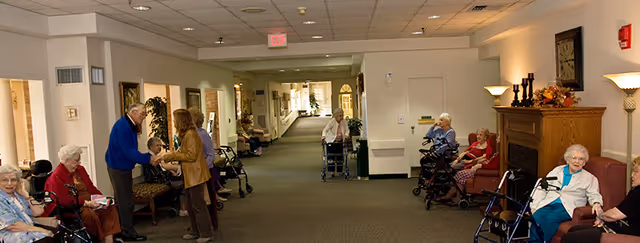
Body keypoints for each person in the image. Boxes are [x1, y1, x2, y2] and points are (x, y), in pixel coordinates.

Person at [105, 102, 161, 241]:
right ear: (133, 112)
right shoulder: (123, 126)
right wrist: (149, 159)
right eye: (142, 114)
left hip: (122, 165)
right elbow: (129, 152)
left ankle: (120, 230)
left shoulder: (129, 124)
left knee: (123, 200)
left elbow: (131, 151)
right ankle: (127, 232)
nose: (144, 117)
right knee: (125, 201)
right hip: (119, 166)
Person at [44, 145, 120, 243]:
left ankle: (108, 240)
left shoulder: (80, 169)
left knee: (109, 207)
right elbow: (64, 201)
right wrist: (86, 203)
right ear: (67, 161)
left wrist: (102, 199)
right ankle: (98, 240)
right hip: (75, 208)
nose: (79, 163)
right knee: (90, 215)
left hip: (90, 201)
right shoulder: (56, 177)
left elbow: (91, 187)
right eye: (76, 161)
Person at [530, 144, 603, 243]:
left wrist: (597, 203)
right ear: (567, 159)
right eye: (574, 158)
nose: (577, 161)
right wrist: (534, 205)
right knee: (536, 217)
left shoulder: (590, 178)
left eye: (581, 159)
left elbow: (594, 194)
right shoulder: (557, 171)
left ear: (584, 162)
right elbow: (541, 188)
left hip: (567, 207)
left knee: (550, 219)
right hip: (549, 203)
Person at [163, 109, 214, 243]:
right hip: (190, 174)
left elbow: (191, 156)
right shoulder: (187, 135)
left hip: (195, 175)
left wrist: (172, 156)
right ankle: (196, 231)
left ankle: (205, 233)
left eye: (175, 120)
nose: (173, 122)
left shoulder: (191, 135)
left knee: (198, 205)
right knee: (191, 206)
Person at [563, 156, 640, 242]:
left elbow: (615, 215)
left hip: (627, 234)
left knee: (571, 237)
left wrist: (601, 216)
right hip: (619, 226)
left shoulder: (638, 193)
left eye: (636, 172)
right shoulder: (636, 190)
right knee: (573, 230)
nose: (632, 175)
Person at [437, 128, 495, 204]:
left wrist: (469, 162)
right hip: (462, 160)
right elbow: (465, 152)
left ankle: (451, 191)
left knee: (449, 170)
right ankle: (446, 190)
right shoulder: (475, 143)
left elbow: (485, 157)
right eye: (477, 134)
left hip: (469, 163)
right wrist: (457, 160)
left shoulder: (487, 146)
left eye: (480, 135)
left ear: (485, 137)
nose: (478, 136)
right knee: (445, 167)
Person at [0, 164, 54, 243]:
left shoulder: (18, 195)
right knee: (46, 238)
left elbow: (38, 212)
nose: (9, 183)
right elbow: (13, 226)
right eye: (4, 180)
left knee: (59, 234)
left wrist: (26, 195)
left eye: (13, 180)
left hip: (29, 228)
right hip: (12, 235)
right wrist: (42, 230)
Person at [188, 107, 220, 232]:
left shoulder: (202, 134)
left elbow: (210, 154)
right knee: (196, 201)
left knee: (207, 199)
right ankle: (199, 226)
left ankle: (211, 224)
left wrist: (202, 167)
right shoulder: (191, 134)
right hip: (196, 171)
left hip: (206, 170)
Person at [145, 137, 187, 216]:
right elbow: (155, 174)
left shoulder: (155, 156)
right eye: (157, 145)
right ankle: (182, 209)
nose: (159, 147)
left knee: (182, 178)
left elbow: (161, 169)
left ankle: (183, 208)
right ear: (151, 147)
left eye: (160, 145)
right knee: (181, 181)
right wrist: (168, 176)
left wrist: (169, 172)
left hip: (162, 178)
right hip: (157, 181)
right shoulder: (150, 158)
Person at [321, 108, 350, 177]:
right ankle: (332, 171)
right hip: (331, 141)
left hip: (340, 141)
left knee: (340, 156)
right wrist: (323, 136)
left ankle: (340, 171)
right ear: (336, 116)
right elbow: (325, 130)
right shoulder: (332, 122)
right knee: (331, 156)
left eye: (342, 115)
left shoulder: (344, 122)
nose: (342, 117)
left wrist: (346, 135)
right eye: (340, 116)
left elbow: (347, 130)